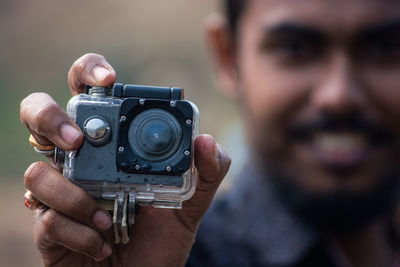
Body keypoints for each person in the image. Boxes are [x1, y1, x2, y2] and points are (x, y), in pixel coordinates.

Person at [20, 0, 400, 266]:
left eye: (386, 47)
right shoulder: (180, 254)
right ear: (227, 55)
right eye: (297, 48)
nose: (339, 96)